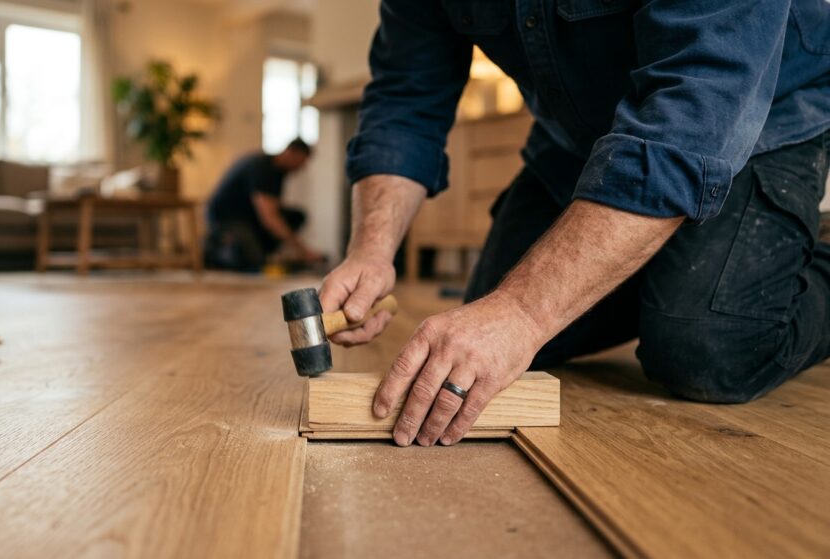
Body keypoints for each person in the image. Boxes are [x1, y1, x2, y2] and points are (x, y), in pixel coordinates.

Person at [319, 0, 830, 447]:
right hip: (586, 137)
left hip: (758, 114)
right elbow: (405, 100)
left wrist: (522, 310)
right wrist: (371, 251)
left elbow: (695, 110)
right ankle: (666, 260)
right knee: (500, 335)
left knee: (705, 348)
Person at [205, 138, 323, 272]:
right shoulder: (262, 168)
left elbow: (274, 209)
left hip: (249, 218)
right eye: (301, 162)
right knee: (251, 263)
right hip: (228, 218)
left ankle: (259, 252)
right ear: (291, 153)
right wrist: (302, 250)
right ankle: (217, 250)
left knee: (295, 216)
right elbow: (269, 217)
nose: (301, 168)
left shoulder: (279, 172)